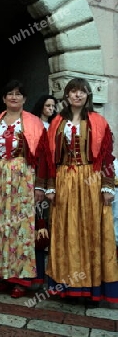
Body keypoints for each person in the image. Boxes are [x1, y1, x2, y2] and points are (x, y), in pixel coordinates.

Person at [46, 77, 118, 303]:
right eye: (73, 91)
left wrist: (108, 186)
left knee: (90, 231)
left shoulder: (98, 122)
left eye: (82, 92)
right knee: (65, 230)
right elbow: (48, 158)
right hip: (65, 179)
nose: (77, 95)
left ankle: (90, 288)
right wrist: (49, 186)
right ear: (66, 96)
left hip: (91, 180)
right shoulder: (57, 122)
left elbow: (107, 156)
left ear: (88, 96)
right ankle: (65, 287)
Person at [0, 79, 51, 298]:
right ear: (4, 98)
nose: (14, 97)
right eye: (9, 93)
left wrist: (40, 185)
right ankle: (2, 275)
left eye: (18, 94)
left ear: (24, 98)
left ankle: (21, 279)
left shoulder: (33, 123)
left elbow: (43, 156)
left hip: (24, 176)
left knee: (22, 227)